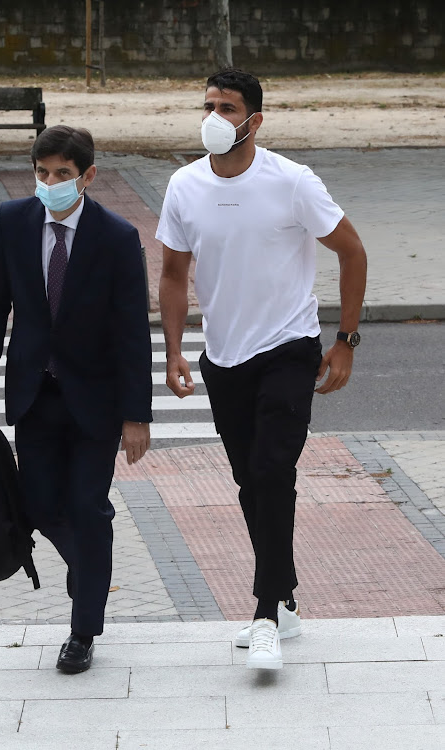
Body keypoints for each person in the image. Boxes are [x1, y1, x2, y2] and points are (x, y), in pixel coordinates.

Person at [157, 68, 367, 671]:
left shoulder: (292, 182)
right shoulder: (184, 185)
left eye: (227, 108)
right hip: (223, 357)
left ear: (255, 120)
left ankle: (266, 612)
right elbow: (173, 275)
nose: (214, 117)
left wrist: (346, 339)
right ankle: (287, 596)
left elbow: (351, 251)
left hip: (288, 348)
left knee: (273, 470)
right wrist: (173, 351)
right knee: (253, 480)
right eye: (208, 105)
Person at [0, 125, 152, 674]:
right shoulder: (12, 221)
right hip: (35, 393)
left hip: (96, 401)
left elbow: (130, 334)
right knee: (42, 505)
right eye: (42, 173)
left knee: (87, 508)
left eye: (63, 175)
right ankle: (90, 569)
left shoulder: (117, 237)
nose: (50, 183)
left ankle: (82, 631)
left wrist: (136, 416)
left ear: (87, 177)